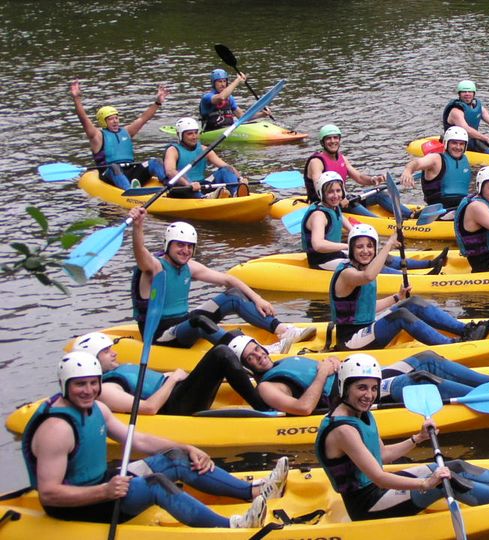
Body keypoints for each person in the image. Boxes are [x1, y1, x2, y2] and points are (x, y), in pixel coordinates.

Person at [21, 351, 288, 529]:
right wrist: (104, 492)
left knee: (177, 459)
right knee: (156, 484)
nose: (89, 390)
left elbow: (138, 441)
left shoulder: (97, 409)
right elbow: (50, 493)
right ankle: (230, 527)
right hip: (81, 505)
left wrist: (185, 447)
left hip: (103, 484)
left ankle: (253, 491)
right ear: (65, 385)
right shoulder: (56, 429)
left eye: (93, 383)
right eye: (80, 384)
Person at [315, 354, 489, 521]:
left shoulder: (362, 414)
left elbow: (383, 455)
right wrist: (425, 484)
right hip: (368, 504)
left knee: (450, 466)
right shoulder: (343, 429)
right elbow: (379, 476)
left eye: (372, 388)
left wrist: (417, 438)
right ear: (343, 388)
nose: (369, 395)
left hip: (378, 490)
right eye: (361, 388)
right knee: (448, 482)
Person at [130, 207, 315, 354]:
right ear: (168, 245)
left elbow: (228, 280)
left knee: (233, 296)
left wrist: (258, 299)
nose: (185, 250)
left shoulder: (189, 267)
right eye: (180, 245)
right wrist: (137, 226)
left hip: (184, 324)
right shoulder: (154, 268)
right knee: (199, 320)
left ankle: (283, 330)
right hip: (161, 335)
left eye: (189, 246)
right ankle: (253, 351)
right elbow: (140, 254)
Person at [229, 337, 489, 415]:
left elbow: (320, 369)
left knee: (426, 358)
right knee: (416, 379)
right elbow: (304, 408)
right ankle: (481, 397)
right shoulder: (268, 387)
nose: (259, 355)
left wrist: (332, 362)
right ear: (249, 368)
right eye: (252, 358)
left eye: (257, 349)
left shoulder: (283, 360)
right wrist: (323, 372)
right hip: (349, 396)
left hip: (355, 375)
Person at [330, 225, 489, 351]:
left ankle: (466, 329)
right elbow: (368, 277)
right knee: (401, 316)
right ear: (351, 249)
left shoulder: (361, 267)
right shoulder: (347, 273)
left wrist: (397, 297)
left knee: (412, 302)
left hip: (366, 327)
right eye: (360, 247)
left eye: (370, 246)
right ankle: (450, 345)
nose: (365, 251)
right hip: (350, 340)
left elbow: (366, 309)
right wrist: (388, 245)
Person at [73, 331, 270, 415]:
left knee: (223, 353)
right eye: (106, 352)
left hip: (177, 391)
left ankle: (269, 385)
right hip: (175, 406)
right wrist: (174, 378)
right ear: (92, 360)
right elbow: (149, 408)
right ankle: (264, 408)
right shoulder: (106, 389)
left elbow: (147, 384)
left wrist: (168, 376)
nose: (114, 352)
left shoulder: (117, 371)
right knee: (221, 353)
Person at [302, 175, 445, 273]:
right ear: (322, 194)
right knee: (371, 263)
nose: (336, 195)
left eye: (338, 191)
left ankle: (429, 264)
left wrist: (358, 234)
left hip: (335, 254)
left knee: (381, 256)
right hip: (322, 260)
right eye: (330, 192)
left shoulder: (332, 207)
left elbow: (342, 220)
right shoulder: (319, 215)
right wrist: (349, 245)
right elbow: (318, 245)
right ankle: (417, 279)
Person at [400, 126, 489, 216]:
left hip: (462, 205)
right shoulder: (436, 159)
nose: (458, 147)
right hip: (443, 210)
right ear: (447, 143)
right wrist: (408, 171)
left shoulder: (464, 159)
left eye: (461, 144)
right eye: (454, 143)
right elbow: (417, 163)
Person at [69, 79, 168, 190]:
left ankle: (169, 184)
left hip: (131, 171)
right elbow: (84, 119)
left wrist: (157, 103)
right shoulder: (97, 136)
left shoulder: (126, 131)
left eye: (116, 118)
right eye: (111, 119)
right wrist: (76, 99)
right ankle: (130, 191)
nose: (115, 121)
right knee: (114, 167)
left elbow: (143, 118)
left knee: (156, 161)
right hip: (110, 173)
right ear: (103, 122)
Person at [303, 124, 403, 217]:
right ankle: (382, 223)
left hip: (343, 198)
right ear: (322, 142)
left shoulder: (341, 158)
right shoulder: (316, 162)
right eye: (328, 138)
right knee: (354, 205)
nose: (333, 141)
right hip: (326, 203)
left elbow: (359, 178)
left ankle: (412, 214)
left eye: (335, 137)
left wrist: (373, 179)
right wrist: (339, 199)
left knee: (379, 194)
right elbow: (319, 187)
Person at [163, 117, 247, 198]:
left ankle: (236, 192)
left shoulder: (204, 149)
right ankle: (206, 198)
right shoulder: (173, 150)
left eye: (196, 133)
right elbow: (170, 172)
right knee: (189, 188)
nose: (194, 136)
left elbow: (226, 166)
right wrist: (189, 184)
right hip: (183, 186)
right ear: (180, 135)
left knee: (225, 170)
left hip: (201, 185)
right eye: (190, 134)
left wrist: (240, 178)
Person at [199, 69, 270, 132]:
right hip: (211, 131)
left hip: (229, 129)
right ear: (213, 83)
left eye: (224, 81)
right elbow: (221, 97)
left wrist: (262, 114)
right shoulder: (207, 97)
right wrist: (238, 80)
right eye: (219, 82)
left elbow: (242, 116)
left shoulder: (230, 98)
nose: (223, 84)